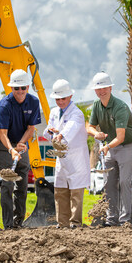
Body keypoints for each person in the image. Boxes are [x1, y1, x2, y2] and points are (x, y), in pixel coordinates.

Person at [87, 72, 132, 226]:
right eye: (98, 89)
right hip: (110, 146)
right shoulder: (97, 105)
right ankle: (111, 219)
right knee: (108, 183)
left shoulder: (120, 107)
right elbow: (89, 127)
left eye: (104, 88)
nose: (101, 91)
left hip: (126, 146)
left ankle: (125, 220)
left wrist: (107, 146)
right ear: (95, 91)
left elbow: (121, 137)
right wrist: (97, 133)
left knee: (124, 182)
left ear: (110, 88)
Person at [0, 69, 41, 229]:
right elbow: (2, 133)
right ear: (11, 88)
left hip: (21, 142)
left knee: (22, 180)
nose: (20, 91)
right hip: (4, 143)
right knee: (8, 181)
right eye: (16, 88)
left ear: (28, 87)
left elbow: (31, 128)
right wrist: (12, 150)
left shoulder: (33, 102)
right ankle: (8, 225)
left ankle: (18, 222)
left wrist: (20, 144)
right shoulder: (5, 105)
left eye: (23, 88)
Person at [43, 79, 90, 228]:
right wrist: (52, 133)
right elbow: (48, 131)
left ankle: (75, 223)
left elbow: (71, 128)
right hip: (61, 158)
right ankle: (62, 223)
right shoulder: (54, 112)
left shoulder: (77, 113)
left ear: (70, 96)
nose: (60, 101)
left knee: (76, 192)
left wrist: (60, 135)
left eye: (63, 98)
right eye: (57, 99)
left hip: (76, 158)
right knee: (60, 191)